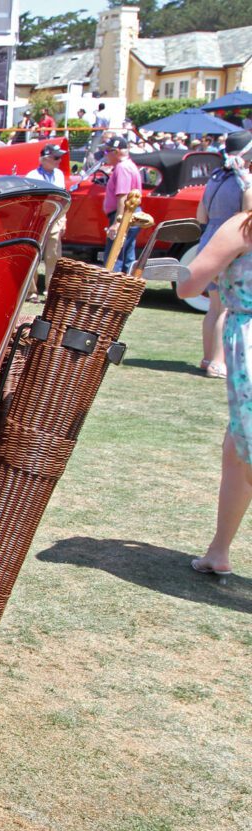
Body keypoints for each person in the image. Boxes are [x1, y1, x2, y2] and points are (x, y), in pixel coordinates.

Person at [178, 208, 252, 577]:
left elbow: (188, 285)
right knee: (237, 449)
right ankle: (218, 549)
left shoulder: (243, 226)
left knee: (246, 449)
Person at [195, 131, 252, 379]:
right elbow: (247, 222)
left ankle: (208, 357)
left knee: (214, 308)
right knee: (225, 309)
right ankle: (218, 362)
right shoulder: (244, 182)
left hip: (207, 240)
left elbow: (201, 217)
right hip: (230, 247)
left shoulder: (215, 178)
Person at [24, 144, 69, 303]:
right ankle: (31, 291)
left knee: (53, 256)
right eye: (56, 157)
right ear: (45, 159)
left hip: (55, 218)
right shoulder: (32, 175)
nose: (59, 160)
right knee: (34, 256)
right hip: (38, 220)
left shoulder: (59, 174)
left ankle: (51, 292)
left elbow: (64, 198)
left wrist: (63, 219)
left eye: (60, 157)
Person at [101, 137, 142, 274]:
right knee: (127, 256)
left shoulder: (122, 168)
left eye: (107, 151)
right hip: (131, 213)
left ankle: (111, 292)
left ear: (115, 151)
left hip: (124, 214)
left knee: (114, 256)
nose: (105, 155)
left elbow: (123, 196)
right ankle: (126, 290)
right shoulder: (130, 165)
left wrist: (118, 222)